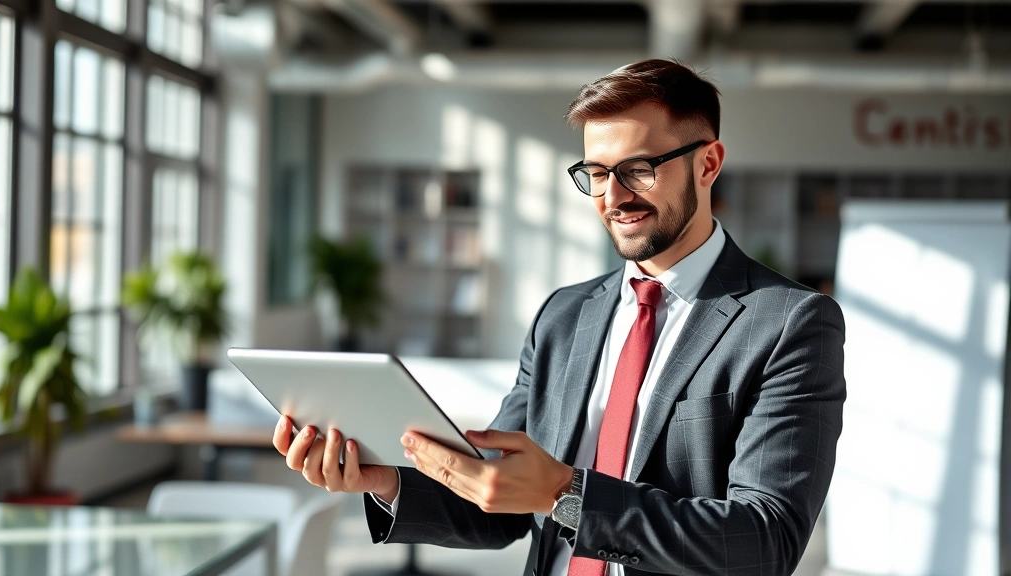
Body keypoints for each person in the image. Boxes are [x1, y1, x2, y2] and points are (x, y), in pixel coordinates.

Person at [273, 59, 846, 576]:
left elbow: (765, 541)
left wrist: (566, 494)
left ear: (708, 164)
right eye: (596, 173)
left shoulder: (790, 324)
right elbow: (499, 503)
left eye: (638, 168)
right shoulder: (564, 317)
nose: (613, 196)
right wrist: (385, 481)